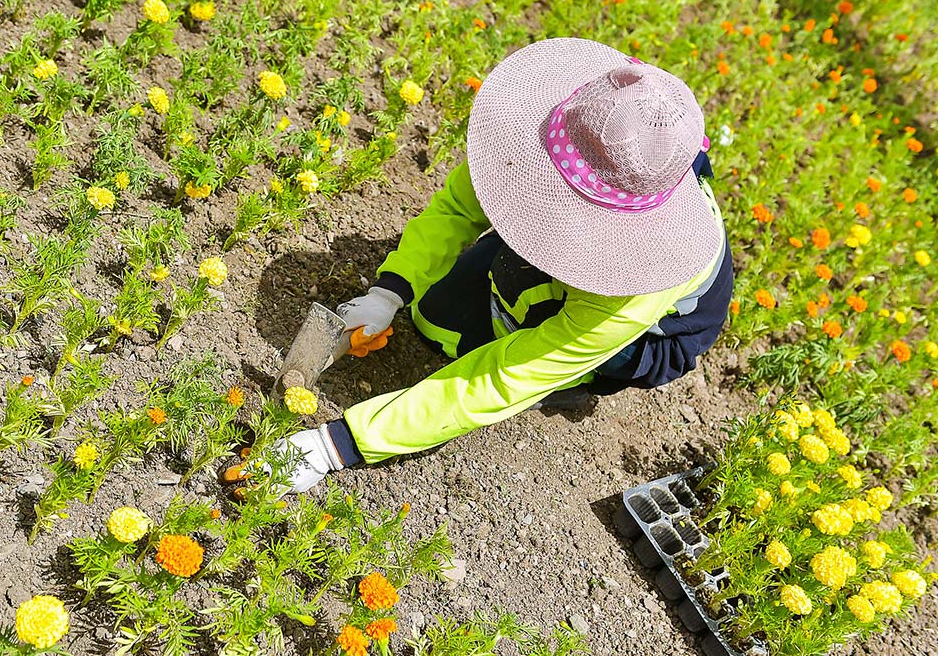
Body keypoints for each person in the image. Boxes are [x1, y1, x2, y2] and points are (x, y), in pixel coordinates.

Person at [244, 38, 733, 494]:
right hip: (599, 242)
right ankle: (521, 291)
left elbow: (507, 376)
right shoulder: (563, 134)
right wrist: (388, 293)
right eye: (544, 185)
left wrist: (337, 445)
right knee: (434, 320)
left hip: (656, 336)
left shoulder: (640, 286)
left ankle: (582, 377)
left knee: (506, 332)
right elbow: (459, 208)